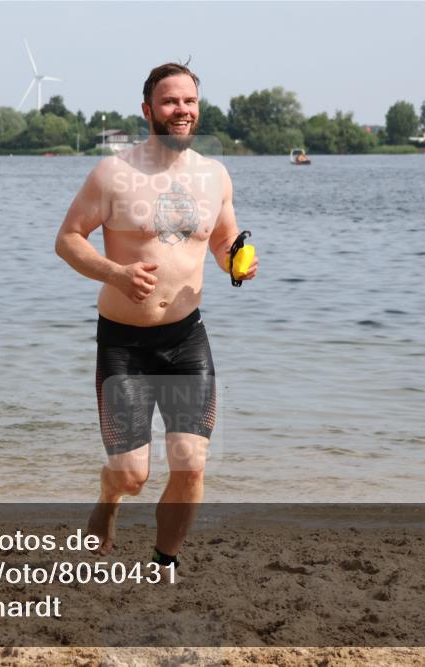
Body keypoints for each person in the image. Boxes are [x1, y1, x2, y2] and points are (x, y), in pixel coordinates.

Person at [55, 63, 258, 571]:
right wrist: (117, 273)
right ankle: (109, 501)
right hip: (124, 344)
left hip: (187, 340)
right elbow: (68, 240)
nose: (181, 110)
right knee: (131, 474)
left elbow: (220, 238)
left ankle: (163, 562)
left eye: (188, 101)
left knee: (191, 464)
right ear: (148, 110)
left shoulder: (215, 176)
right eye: (170, 102)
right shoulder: (113, 174)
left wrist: (236, 259)